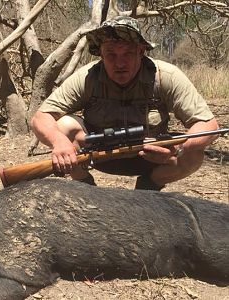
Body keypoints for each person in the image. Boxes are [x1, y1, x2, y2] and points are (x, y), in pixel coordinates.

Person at [30, 16, 219, 191]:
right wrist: (59, 142)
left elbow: (208, 125)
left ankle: (149, 185)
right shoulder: (87, 77)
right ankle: (85, 188)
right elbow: (41, 117)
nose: (119, 63)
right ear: (101, 55)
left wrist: (179, 149)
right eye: (111, 54)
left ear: (141, 52)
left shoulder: (165, 76)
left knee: (193, 153)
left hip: (151, 158)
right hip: (98, 156)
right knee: (63, 127)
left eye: (128, 53)